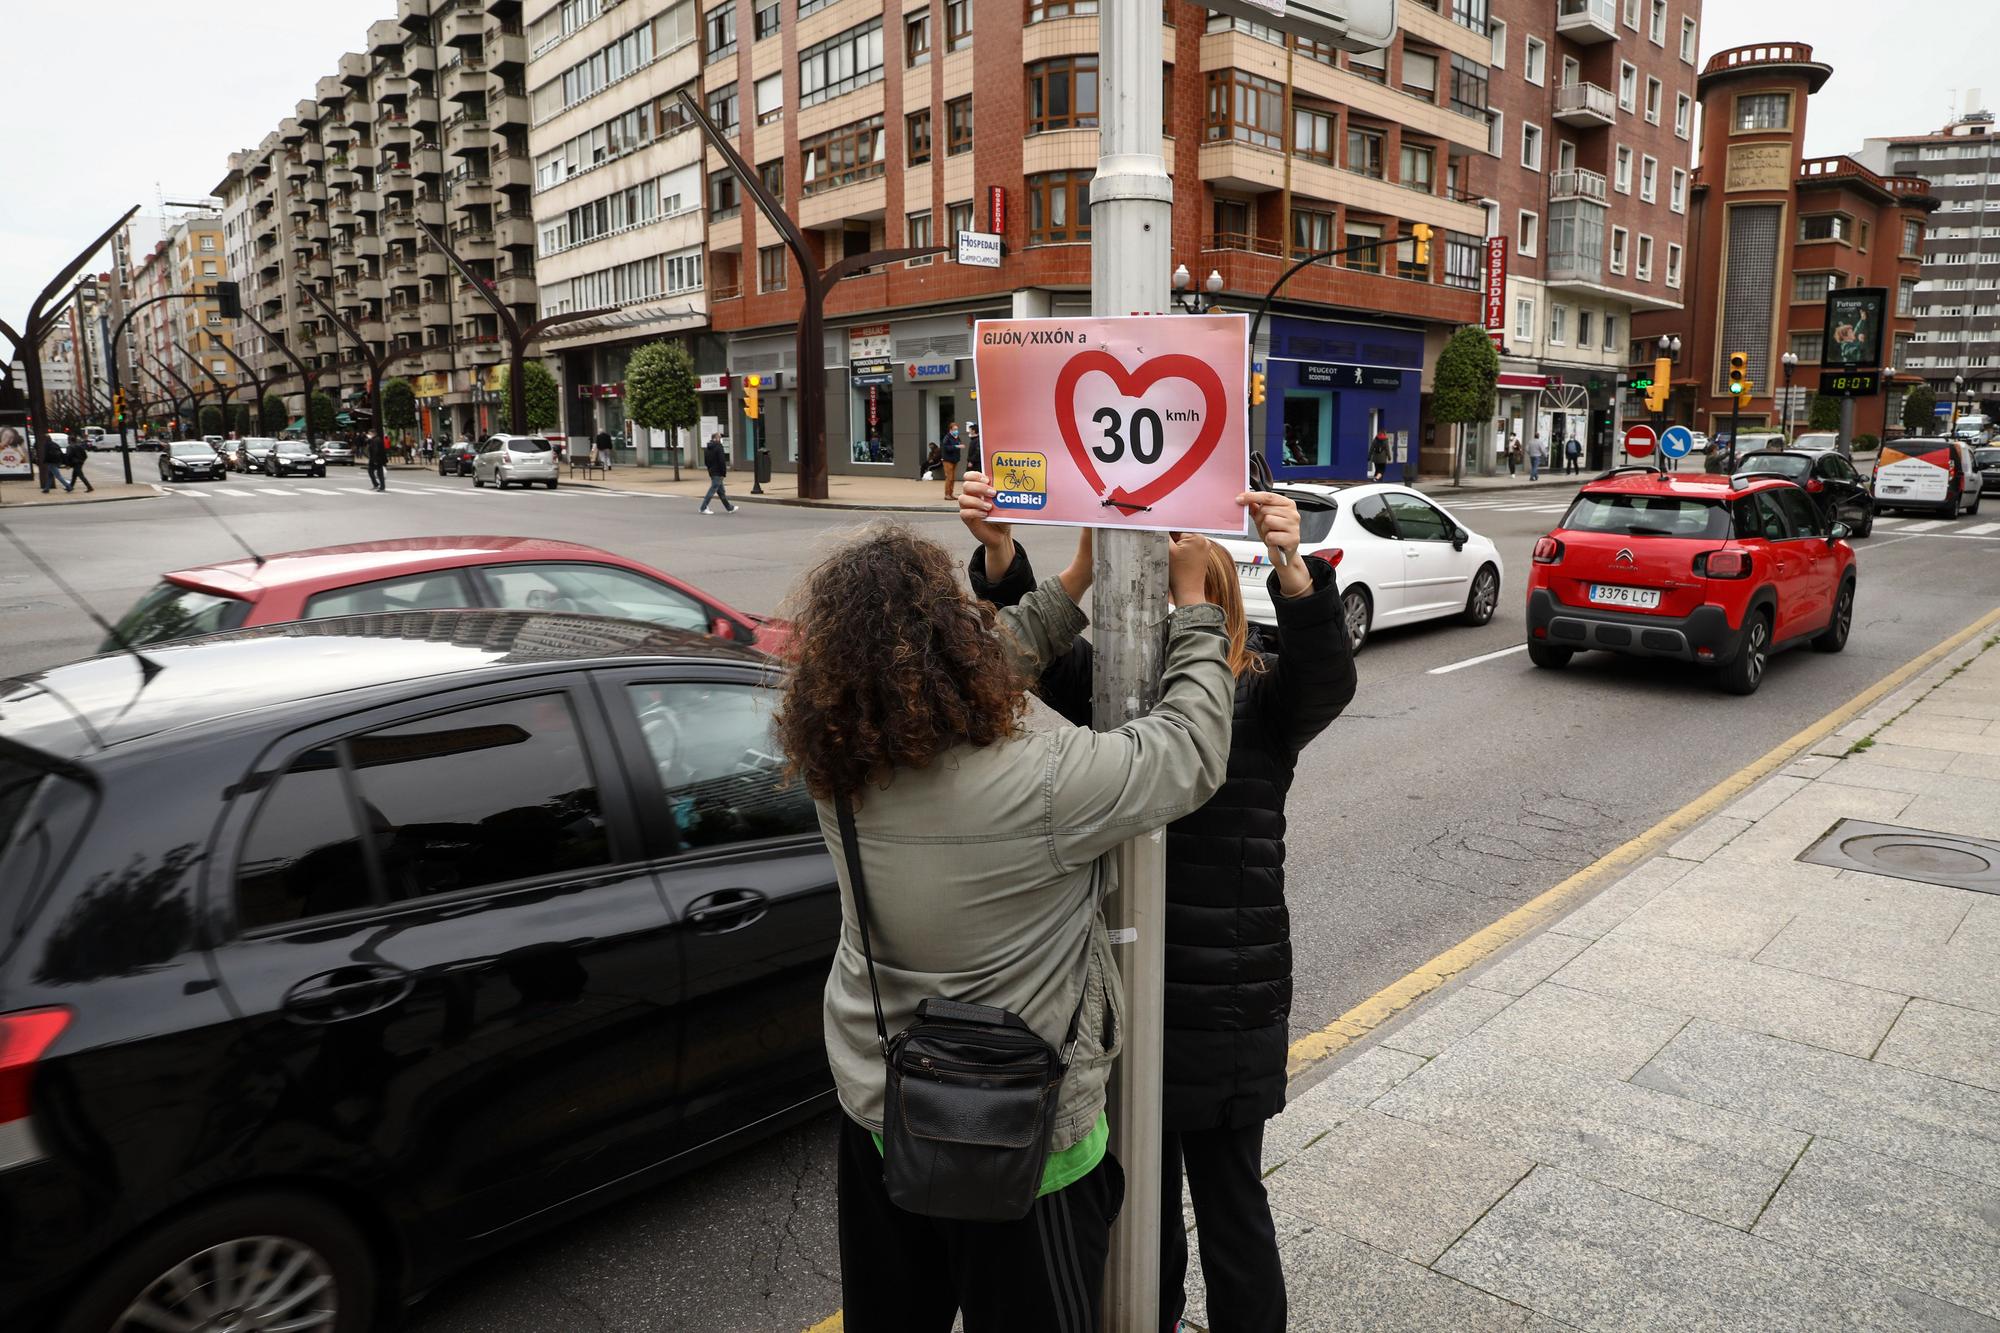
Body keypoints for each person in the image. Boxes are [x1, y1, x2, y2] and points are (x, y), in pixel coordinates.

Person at [778, 518, 1235, 1333]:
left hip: (888, 1113)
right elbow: (1188, 747)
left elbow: (980, 670)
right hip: (1033, 1148)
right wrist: (1194, 607)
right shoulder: (1047, 780)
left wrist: (1075, 579)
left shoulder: (836, 766)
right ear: (954, 636)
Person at [960, 477, 1354, 1333]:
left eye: (1191, 603)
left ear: (1221, 615)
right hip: (1124, 997)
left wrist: (1291, 563)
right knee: (1141, 1208)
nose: (1176, 622)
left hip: (1221, 1007)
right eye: (1163, 601)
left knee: (1230, 1209)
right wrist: (1004, 556)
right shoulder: (1111, 692)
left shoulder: (1259, 701)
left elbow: (1327, 678)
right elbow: (1007, 660)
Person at [699, 430, 736, 514]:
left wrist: (710, 469)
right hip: (718, 472)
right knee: (712, 490)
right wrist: (723, 473)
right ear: (716, 438)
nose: (721, 439)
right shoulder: (719, 447)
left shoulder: (707, 448)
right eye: (720, 437)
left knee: (721, 492)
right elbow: (722, 461)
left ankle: (729, 508)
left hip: (712, 471)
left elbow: (706, 462)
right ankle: (703, 508)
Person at [939, 420, 962, 498]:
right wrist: (956, 446)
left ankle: (951, 493)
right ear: (950, 430)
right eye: (954, 429)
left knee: (952, 478)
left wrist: (958, 445)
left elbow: (959, 444)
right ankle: (947, 494)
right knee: (949, 477)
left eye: (957, 429)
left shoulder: (956, 437)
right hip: (948, 460)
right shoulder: (947, 437)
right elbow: (946, 448)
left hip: (954, 460)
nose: (956, 431)